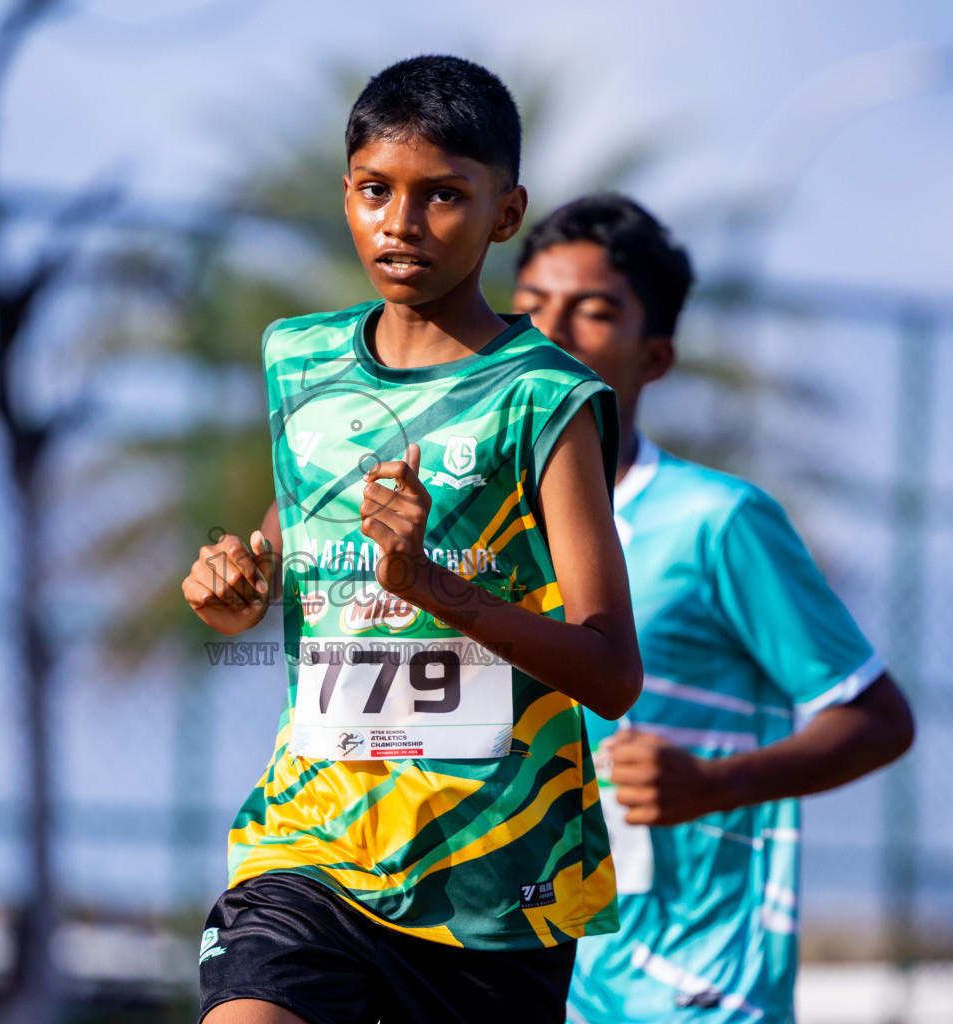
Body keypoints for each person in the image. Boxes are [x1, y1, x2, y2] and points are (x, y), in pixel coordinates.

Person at [180, 58, 645, 1024]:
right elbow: (294, 530)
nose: (401, 222)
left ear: (505, 213)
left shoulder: (544, 399)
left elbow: (610, 671)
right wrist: (243, 579)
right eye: (375, 191)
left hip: (495, 881)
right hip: (310, 847)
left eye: (443, 196)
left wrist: (437, 586)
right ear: (345, 195)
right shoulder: (300, 361)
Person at [512, 193, 917, 1024]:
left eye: (594, 312)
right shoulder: (475, 535)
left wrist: (710, 783)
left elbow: (878, 719)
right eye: (530, 307)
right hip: (524, 975)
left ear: (653, 356)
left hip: (694, 987)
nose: (553, 333)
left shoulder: (715, 523)